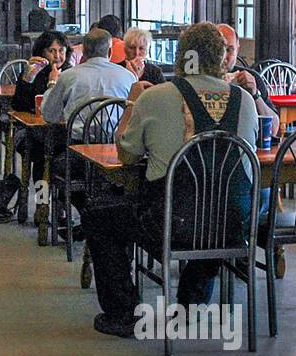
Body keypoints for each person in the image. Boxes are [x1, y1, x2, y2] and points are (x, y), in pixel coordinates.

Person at [84, 22, 259, 338]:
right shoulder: (244, 101)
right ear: (223, 57)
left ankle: (124, 313)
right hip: (232, 228)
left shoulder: (158, 96)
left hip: (172, 225)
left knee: (99, 217)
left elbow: (126, 156)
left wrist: (132, 104)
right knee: (214, 210)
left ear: (181, 56)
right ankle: (192, 301)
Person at [40, 27, 134, 129]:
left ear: (83, 51)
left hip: (76, 142)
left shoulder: (68, 76)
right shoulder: (128, 77)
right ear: (110, 52)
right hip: (116, 142)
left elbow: (49, 115)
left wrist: (52, 84)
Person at [217, 23, 277, 120]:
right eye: (219, 50)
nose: (224, 57)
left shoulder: (252, 78)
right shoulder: (198, 80)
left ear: (237, 50)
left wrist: (255, 95)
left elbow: (274, 128)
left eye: (229, 50)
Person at [11, 29, 70, 113]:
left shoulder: (69, 72)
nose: (57, 56)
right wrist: (27, 79)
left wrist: (53, 82)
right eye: (51, 51)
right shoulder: (35, 70)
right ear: (42, 52)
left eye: (61, 51)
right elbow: (18, 106)